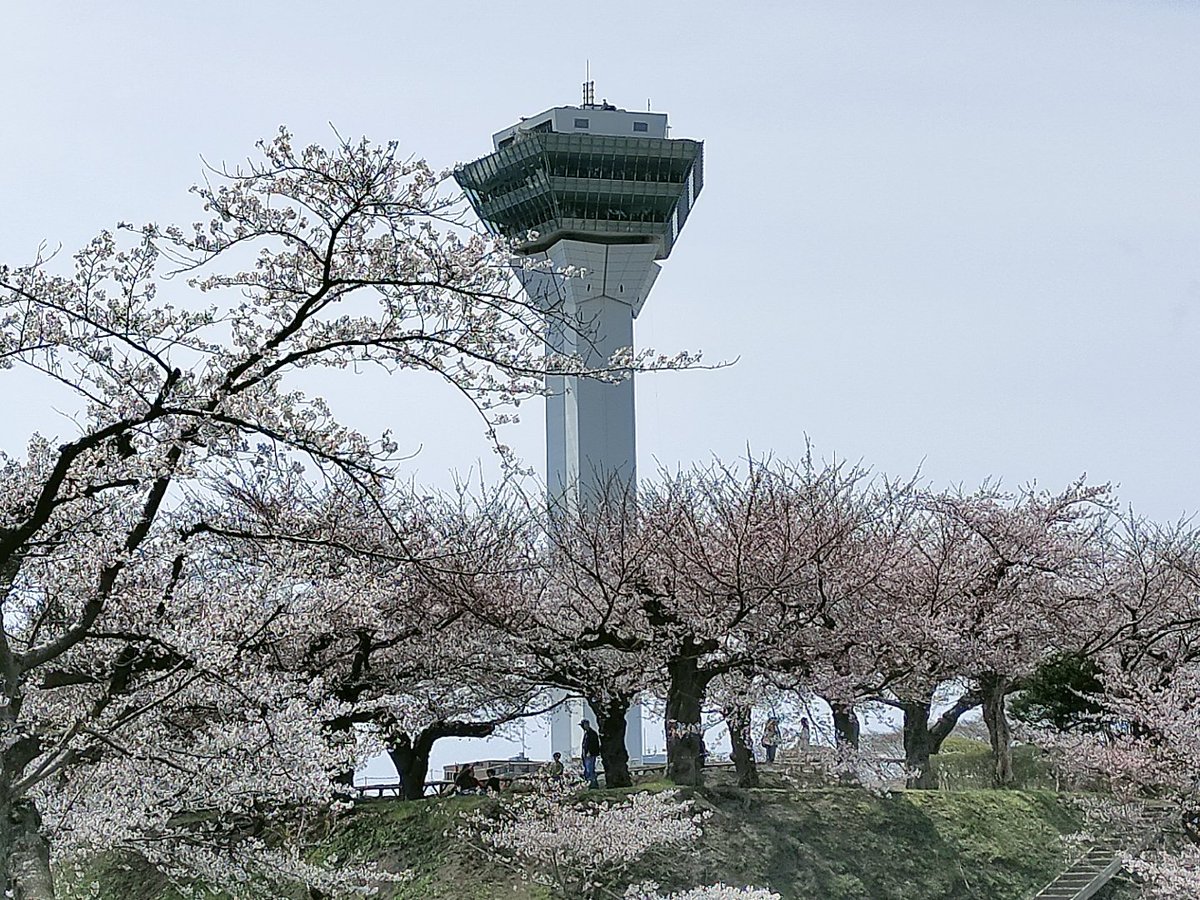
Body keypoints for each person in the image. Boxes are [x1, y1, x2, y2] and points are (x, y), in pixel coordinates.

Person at [580, 719, 601, 788]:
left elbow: (594, 744)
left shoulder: (592, 734)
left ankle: (592, 784)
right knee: (587, 770)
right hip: (586, 755)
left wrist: (590, 752)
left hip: (590, 755)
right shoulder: (587, 733)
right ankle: (590, 784)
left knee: (590, 770)